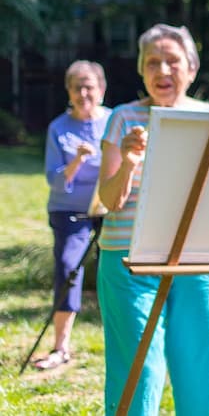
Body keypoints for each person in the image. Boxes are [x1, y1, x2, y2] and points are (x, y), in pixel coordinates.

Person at [97, 24, 209, 415]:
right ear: (141, 70)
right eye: (153, 62)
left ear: (191, 68)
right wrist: (129, 163)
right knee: (139, 371)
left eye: (172, 61)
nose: (162, 70)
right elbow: (108, 200)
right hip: (127, 260)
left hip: (198, 260)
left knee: (198, 369)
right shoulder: (123, 118)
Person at [37, 60, 111, 370]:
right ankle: (61, 347)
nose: (83, 93)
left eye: (89, 86)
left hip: (109, 208)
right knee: (68, 267)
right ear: (68, 91)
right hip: (69, 211)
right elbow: (53, 179)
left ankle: (126, 341)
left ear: (101, 89)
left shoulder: (113, 121)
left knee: (122, 269)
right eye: (77, 87)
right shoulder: (59, 128)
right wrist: (77, 161)